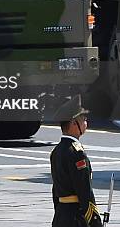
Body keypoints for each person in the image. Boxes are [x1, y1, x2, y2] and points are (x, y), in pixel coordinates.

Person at [50, 95, 103, 227]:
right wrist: (95, 222)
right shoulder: (77, 153)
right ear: (74, 123)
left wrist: (60, 213)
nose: (86, 123)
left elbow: (55, 189)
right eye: (84, 119)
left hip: (61, 216)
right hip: (76, 218)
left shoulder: (56, 151)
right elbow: (84, 191)